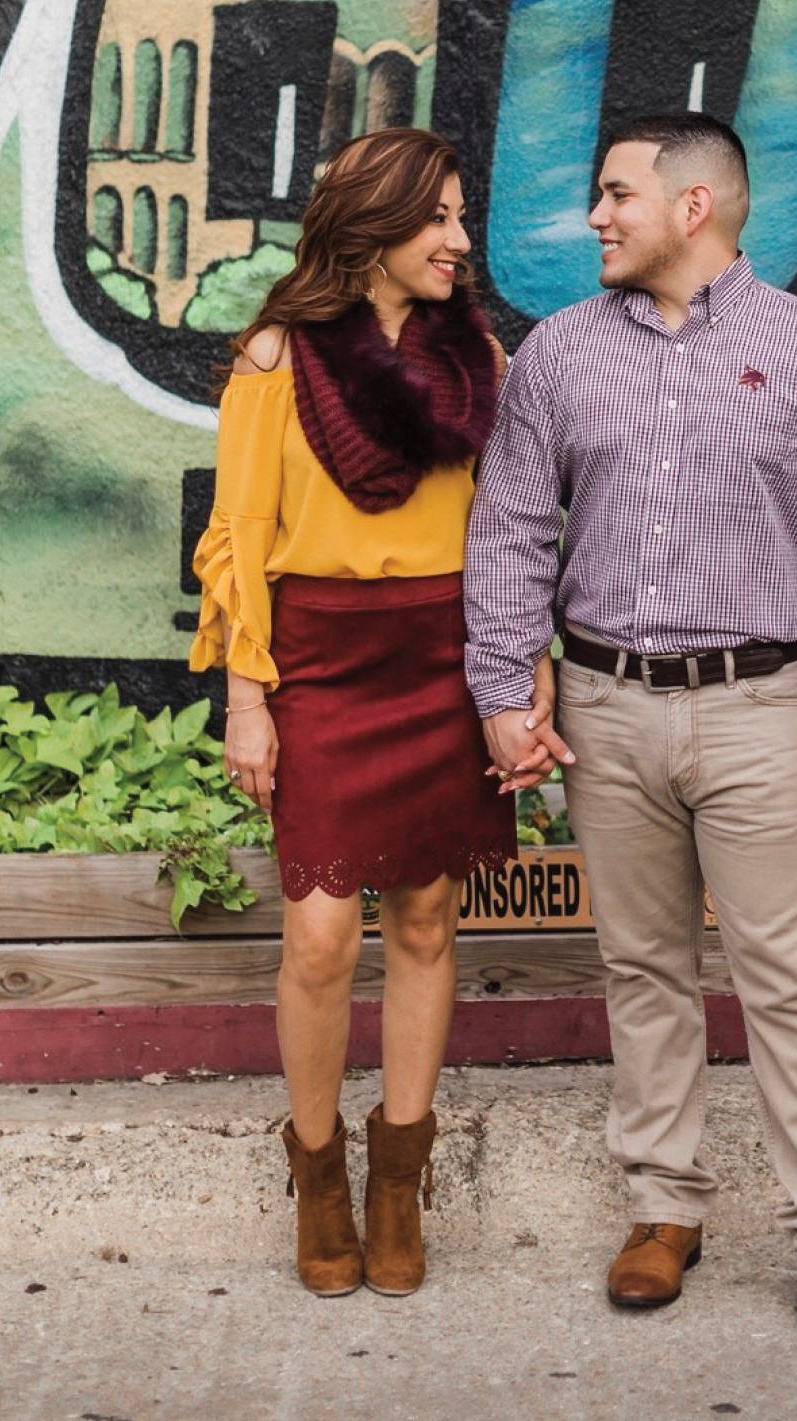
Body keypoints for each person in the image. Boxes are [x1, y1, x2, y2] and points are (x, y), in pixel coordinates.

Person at [465, 113, 797, 1340]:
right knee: (642, 968)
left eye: (616, 195)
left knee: (788, 979)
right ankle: (664, 1208)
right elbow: (508, 530)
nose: (596, 217)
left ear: (695, 206)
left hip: (766, 710)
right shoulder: (557, 354)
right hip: (604, 711)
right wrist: (507, 692)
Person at [188, 128, 544, 1299]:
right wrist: (249, 697)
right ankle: (318, 1169)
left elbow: (503, 532)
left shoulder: (476, 357)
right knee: (322, 933)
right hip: (325, 663)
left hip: (441, 654)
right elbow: (240, 535)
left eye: (459, 216)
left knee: (431, 917)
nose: (458, 238)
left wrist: (515, 670)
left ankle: (401, 1173)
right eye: (435, 217)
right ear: (375, 227)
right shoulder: (274, 360)